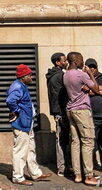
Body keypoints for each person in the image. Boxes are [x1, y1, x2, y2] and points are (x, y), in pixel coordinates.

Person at [5, 64, 52, 186]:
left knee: (30, 149)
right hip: (21, 123)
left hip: (27, 124)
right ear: (23, 76)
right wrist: (17, 111)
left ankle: (35, 173)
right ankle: (18, 177)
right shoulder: (17, 87)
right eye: (29, 75)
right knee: (20, 151)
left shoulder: (22, 86)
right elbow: (10, 101)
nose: (31, 78)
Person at [63, 51, 100, 185]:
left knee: (75, 142)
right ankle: (89, 175)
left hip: (71, 109)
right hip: (82, 111)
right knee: (88, 142)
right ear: (76, 61)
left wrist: (84, 87)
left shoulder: (66, 75)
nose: (84, 63)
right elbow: (95, 89)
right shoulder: (81, 74)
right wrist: (90, 75)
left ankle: (78, 174)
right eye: (81, 60)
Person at [46, 52, 71, 176]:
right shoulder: (60, 76)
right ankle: (62, 168)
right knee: (62, 140)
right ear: (57, 62)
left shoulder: (54, 75)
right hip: (61, 112)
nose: (66, 62)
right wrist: (60, 113)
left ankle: (64, 167)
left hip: (59, 112)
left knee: (63, 139)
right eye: (64, 60)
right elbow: (60, 96)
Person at [87, 59, 102, 169]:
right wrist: (98, 90)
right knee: (92, 142)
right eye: (90, 67)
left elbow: (90, 90)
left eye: (94, 67)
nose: (92, 69)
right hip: (92, 116)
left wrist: (92, 90)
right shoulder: (84, 78)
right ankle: (92, 165)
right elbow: (83, 91)